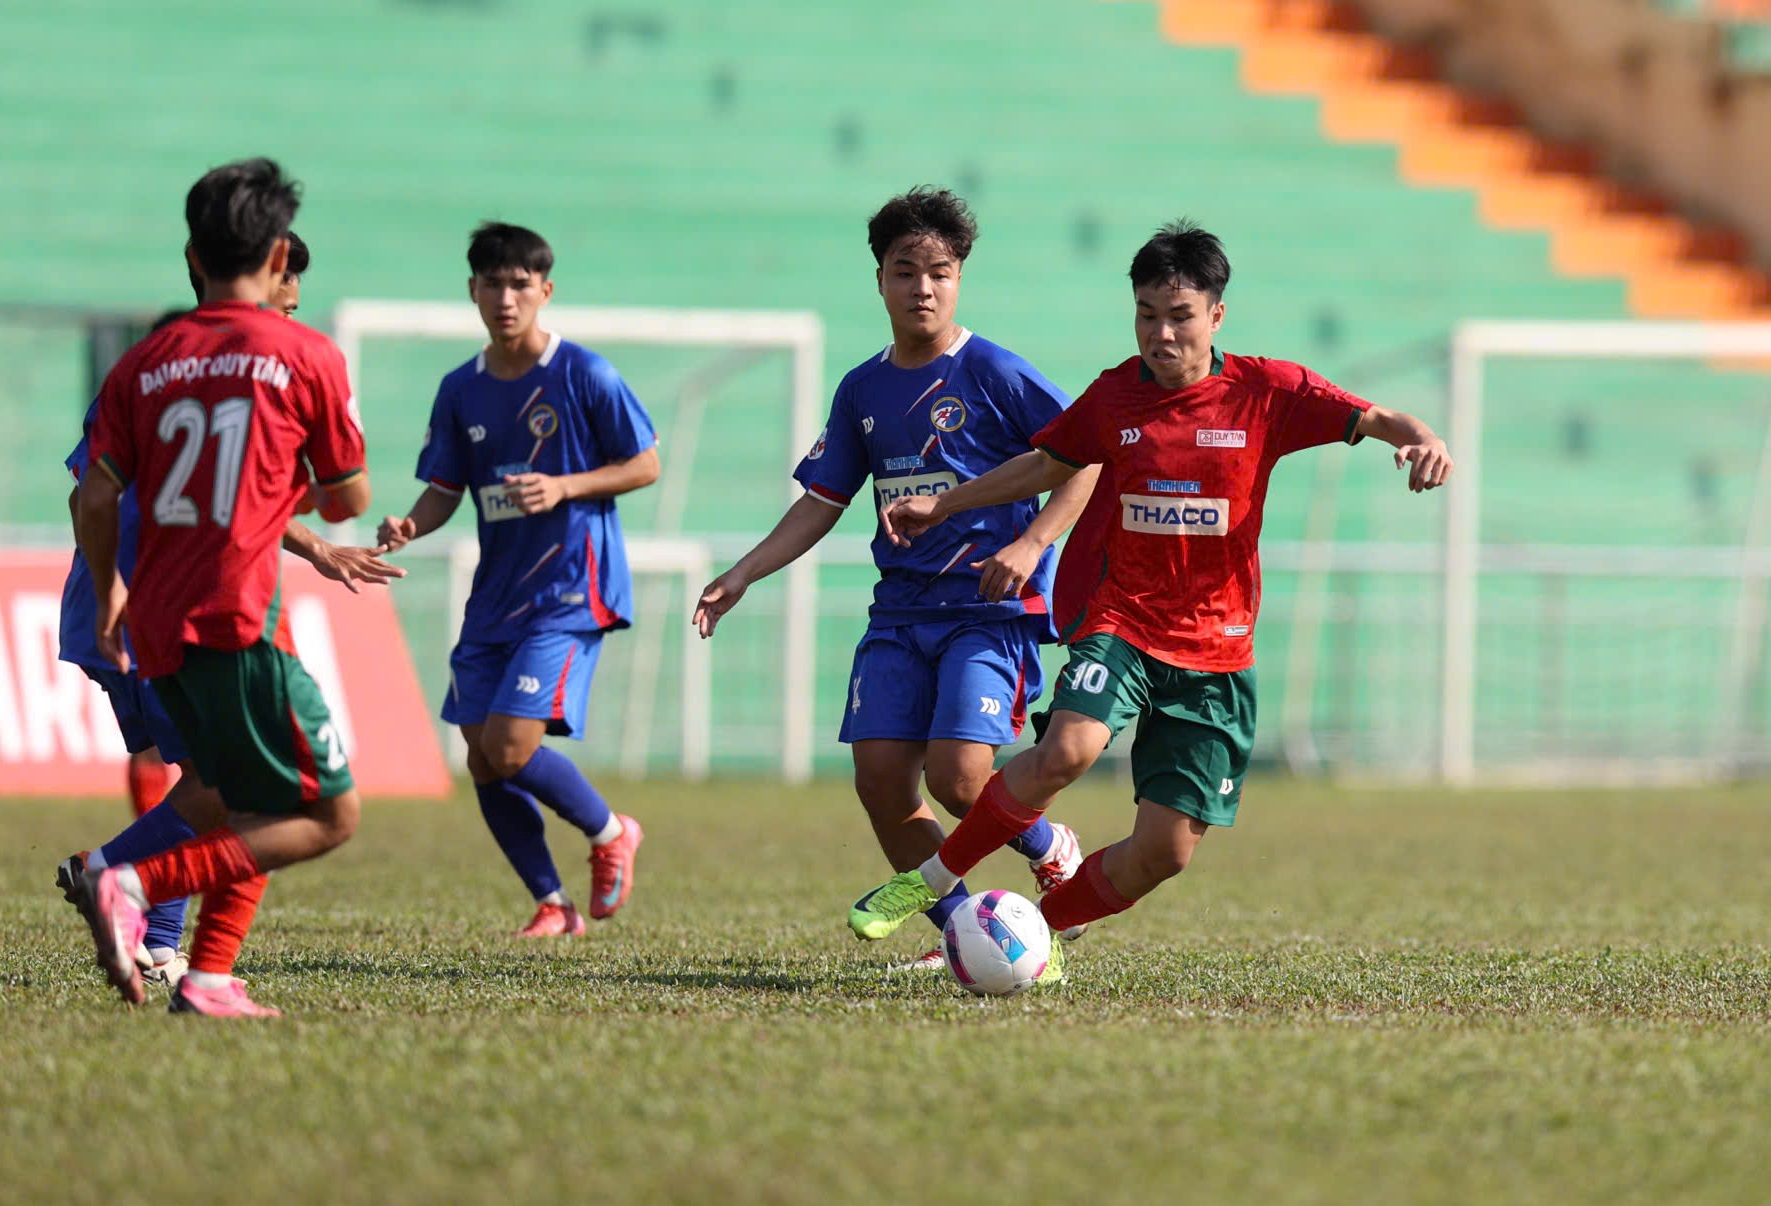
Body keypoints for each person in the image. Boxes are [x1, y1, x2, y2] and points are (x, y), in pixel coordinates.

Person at [847, 220, 1454, 971]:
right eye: (1145, 315)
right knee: (1066, 748)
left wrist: (1422, 438)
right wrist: (943, 505)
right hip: (1123, 621)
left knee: (1164, 852)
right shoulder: (1114, 396)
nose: (1160, 334)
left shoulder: (1269, 391)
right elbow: (1044, 465)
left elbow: (1376, 418)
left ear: (1216, 316)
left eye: (1179, 317)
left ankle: (1035, 936)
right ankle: (928, 881)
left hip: (1217, 650)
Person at [693, 188, 1098, 968]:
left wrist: (1032, 543)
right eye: (905, 271)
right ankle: (962, 932)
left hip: (985, 610)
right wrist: (744, 572)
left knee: (959, 779)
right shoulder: (861, 389)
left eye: (938, 273)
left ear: (959, 279)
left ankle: (1049, 845)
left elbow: (1083, 459)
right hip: (901, 614)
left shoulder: (993, 371)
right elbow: (821, 501)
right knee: (880, 778)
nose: (922, 288)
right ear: (878, 278)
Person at [55, 230, 398, 993]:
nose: (287, 312)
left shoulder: (146, 368)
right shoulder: (275, 365)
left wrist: (313, 549)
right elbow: (335, 492)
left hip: (133, 608)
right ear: (269, 272)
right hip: (207, 609)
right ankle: (119, 882)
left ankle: (165, 944)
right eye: (287, 298)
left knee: (212, 782)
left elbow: (99, 493)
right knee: (263, 796)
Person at [377, 222, 658, 936]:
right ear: (472, 291)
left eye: (520, 285)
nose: (506, 299)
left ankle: (611, 832)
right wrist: (409, 524)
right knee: (482, 758)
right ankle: (553, 904)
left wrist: (564, 486)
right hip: (496, 597)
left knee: (509, 748)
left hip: (570, 590)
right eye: (493, 284)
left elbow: (645, 464)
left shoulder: (584, 374)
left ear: (545, 291)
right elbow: (444, 489)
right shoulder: (459, 390)